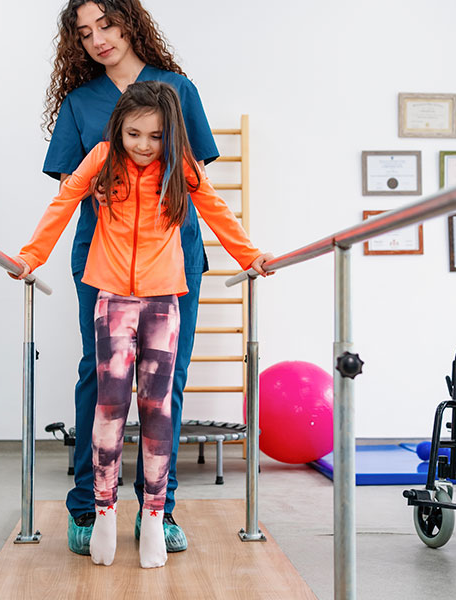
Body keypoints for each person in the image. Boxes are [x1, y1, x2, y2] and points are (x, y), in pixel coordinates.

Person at [15, 81, 272, 567]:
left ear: (169, 135)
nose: (142, 145)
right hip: (111, 300)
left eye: (154, 136)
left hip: (162, 303)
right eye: (133, 133)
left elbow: (216, 209)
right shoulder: (103, 157)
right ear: (119, 128)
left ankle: (153, 517)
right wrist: (32, 257)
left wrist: (251, 255)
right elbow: (63, 203)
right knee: (109, 412)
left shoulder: (180, 168)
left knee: (157, 413)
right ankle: (106, 511)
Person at [42, 0, 218, 555]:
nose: (99, 39)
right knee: (98, 380)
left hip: (173, 258)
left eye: (108, 24)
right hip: (103, 259)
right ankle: (87, 507)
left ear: (130, 22)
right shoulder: (79, 102)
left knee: (167, 385)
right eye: (85, 32)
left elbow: (192, 178)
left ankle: (156, 511)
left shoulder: (176, 88)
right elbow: (70, 183)